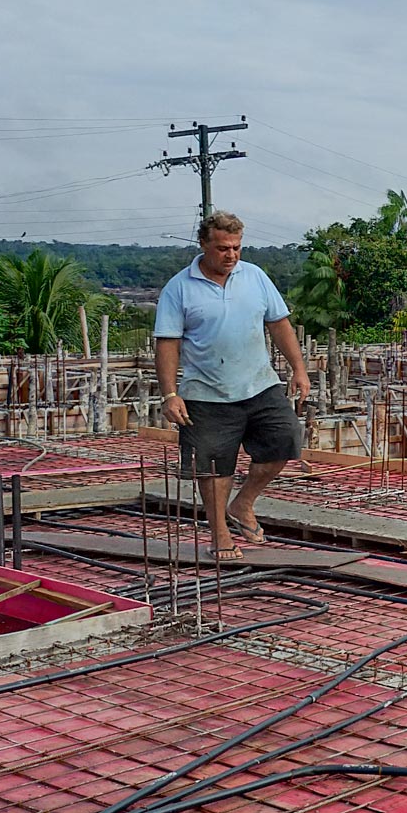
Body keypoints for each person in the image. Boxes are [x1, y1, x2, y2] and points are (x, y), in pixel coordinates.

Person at [154, 212, 311, 563]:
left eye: (237, 248)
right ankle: (220, 533)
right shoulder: (179, 288)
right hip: (206, 393)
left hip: (259, 384)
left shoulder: (254, 276)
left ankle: (244, 502)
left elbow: (279, 324)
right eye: (223, 248)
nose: (231, 255)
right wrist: (169, 394)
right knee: (212, 467)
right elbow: (167, 343)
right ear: (204, 245)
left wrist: (299, 369)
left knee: (285, 442)